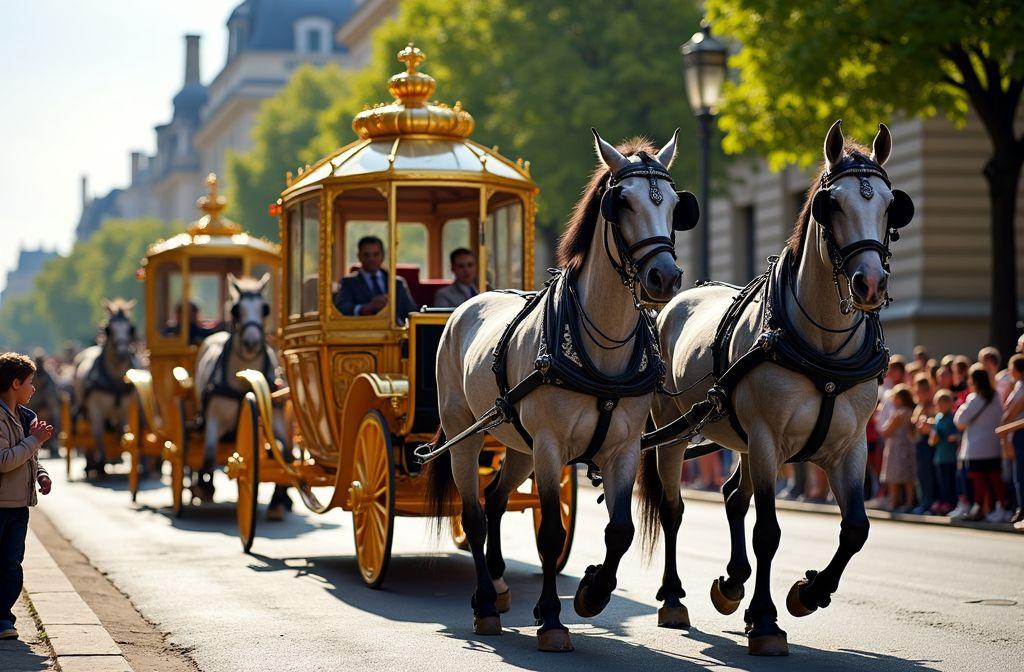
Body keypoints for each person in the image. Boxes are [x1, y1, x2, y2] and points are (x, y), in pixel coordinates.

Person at [0, 352, 54, 640]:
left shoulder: (26, 416)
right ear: (15, 383)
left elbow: (29, 458)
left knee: (11, 564)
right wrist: (35, 440)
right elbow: (5, 460)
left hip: (19, 505)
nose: (34, 389)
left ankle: (3, 619)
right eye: (29, 383)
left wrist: (41, 473)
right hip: (1, 504)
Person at [954, 363, 1007, 522]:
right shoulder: (996, 396)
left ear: (974, 381)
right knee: (995, 479)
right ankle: (1000, 508)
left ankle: (980, 508)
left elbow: (959, 420)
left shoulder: (974, 398)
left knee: (979, 480)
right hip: (993, 445)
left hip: (977, 447)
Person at [334, 236, 418, 322]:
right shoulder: (348, 282)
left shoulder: (397, 283)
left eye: (376, 254)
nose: (371, 259)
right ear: (359, 256)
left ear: (382, 256)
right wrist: (366, 308)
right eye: (366, 255)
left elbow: (412, 312)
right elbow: (341, 309)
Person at [880, 384, 916, 512]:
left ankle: (894, 501)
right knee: (908, 476)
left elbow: (885, 431)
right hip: (907, 447)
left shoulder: (899, 414)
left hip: (896, 447)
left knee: (894, 475)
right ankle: (909, 501)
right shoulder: (911, 411)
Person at [1000, 354, 1024, 524]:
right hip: (1015, 433)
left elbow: (1013, 412)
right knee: (1017, 475)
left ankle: (1021, 509)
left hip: (1020, 433)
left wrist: (1003, 428)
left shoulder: (1022, 387)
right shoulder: (1018, 385)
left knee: (1020, 474)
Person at [929, 390, 959, 515]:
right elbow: (932, 440)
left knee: (950, 482)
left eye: (942, 403)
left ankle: (951, 503)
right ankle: (944, 502)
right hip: (939, 457)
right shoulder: (938, 418)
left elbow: (957, 435)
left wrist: (953, 437)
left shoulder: (953, 418)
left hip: (950, 457)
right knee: (941, 482)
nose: (939, 406)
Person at [911, 374, 936, 514]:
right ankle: (923, 501)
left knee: (927, 474)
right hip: (919, 443)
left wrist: (924, 424)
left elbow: (932, 425)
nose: (917, 393)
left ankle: (928, 503)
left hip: (927, 444)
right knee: (921, 474)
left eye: (920, 390)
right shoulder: (919, 406)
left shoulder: (930, 406)